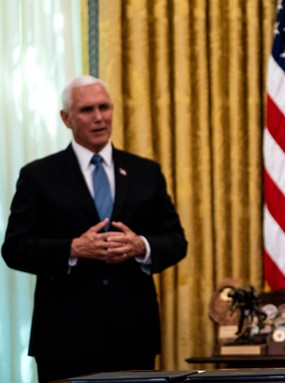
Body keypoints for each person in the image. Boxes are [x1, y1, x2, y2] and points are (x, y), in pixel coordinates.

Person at [2, 76, 188, 382]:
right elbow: (14, 248)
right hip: (64, 339)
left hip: (133, 335)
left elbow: (176, 241)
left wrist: (141, 245)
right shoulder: (38, 175)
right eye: (87, 109)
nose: (99, 117)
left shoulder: (146, 172)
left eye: (104, 107)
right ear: (66, 118)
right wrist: (73, 248)